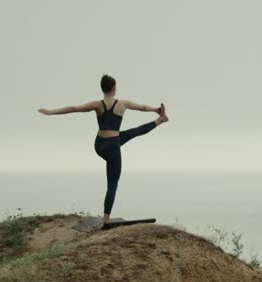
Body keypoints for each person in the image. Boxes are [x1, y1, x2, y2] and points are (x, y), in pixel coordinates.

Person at [39, 74, 168, 224]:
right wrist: (155, 109)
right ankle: (106, 220)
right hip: (112, 147)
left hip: (100, 145)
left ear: (103, 89)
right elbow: (142, 107)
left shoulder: (97, 104)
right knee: (112, 184)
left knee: (131, 133)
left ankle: (161, 120)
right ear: (114, 88)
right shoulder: (122, 104)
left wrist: (50, 112)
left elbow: (74, 108)